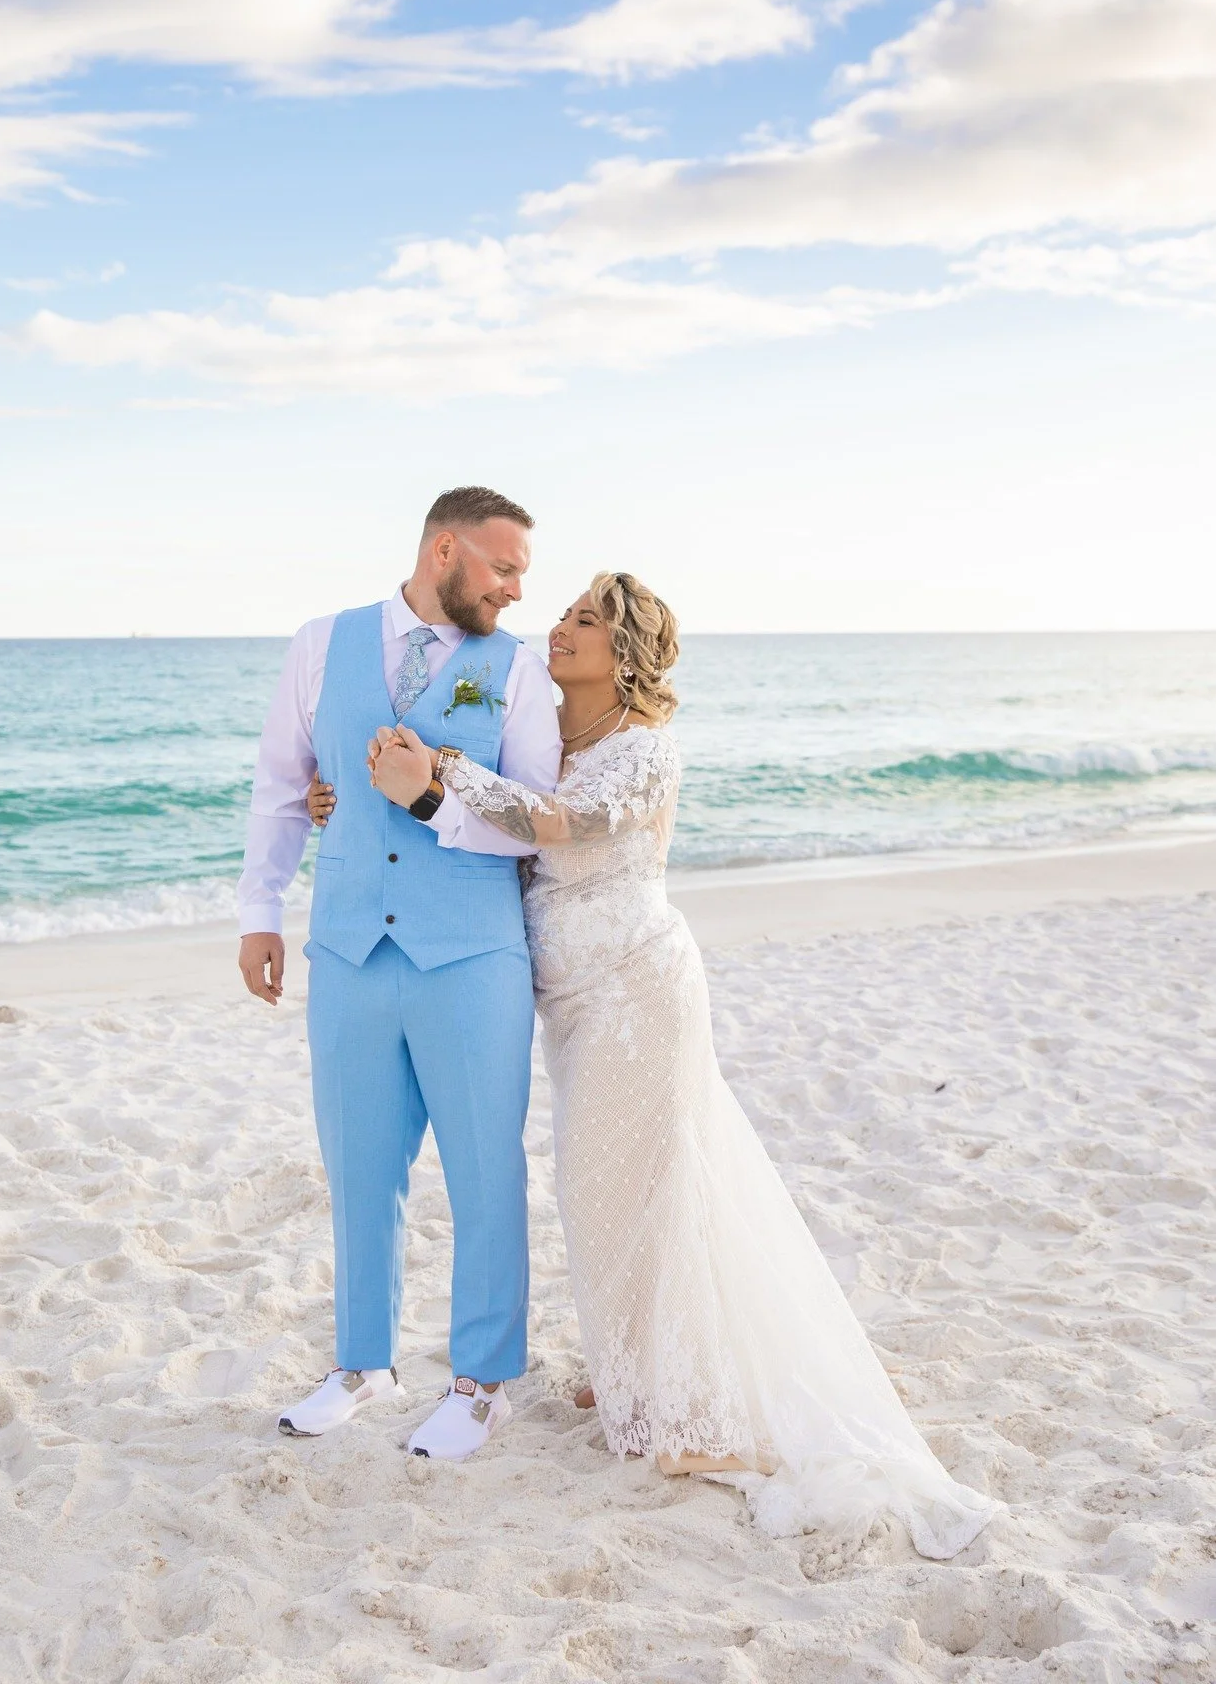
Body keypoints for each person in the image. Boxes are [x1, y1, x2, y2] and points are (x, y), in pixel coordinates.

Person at [349, 570, 998, 1557]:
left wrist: (442, 776)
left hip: (637, 994)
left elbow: (564, 828)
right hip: (572, 1003)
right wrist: (376, 791)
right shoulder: (542, 740)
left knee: (641, 1189)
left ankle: (680, 1404)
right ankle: (636, 1368)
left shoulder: (644, 751)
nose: (559, 627)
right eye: (563, 613)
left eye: (585, 620)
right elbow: (493, 835)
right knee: (598, 1191)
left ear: (626, 654)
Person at [237, 486, 561, 1461]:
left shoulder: (518, 670)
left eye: (522, 576)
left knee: (483, 1172)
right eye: (502, 568)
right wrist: (261, 910)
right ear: (445, 549)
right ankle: (361, 1364)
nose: (512, 590)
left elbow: (538, 818)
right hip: (345, 948)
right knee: (360, 1167)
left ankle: (480, 1382)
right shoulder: (319, 643)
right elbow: (282, 786)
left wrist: (434, 797)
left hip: (470, 953)